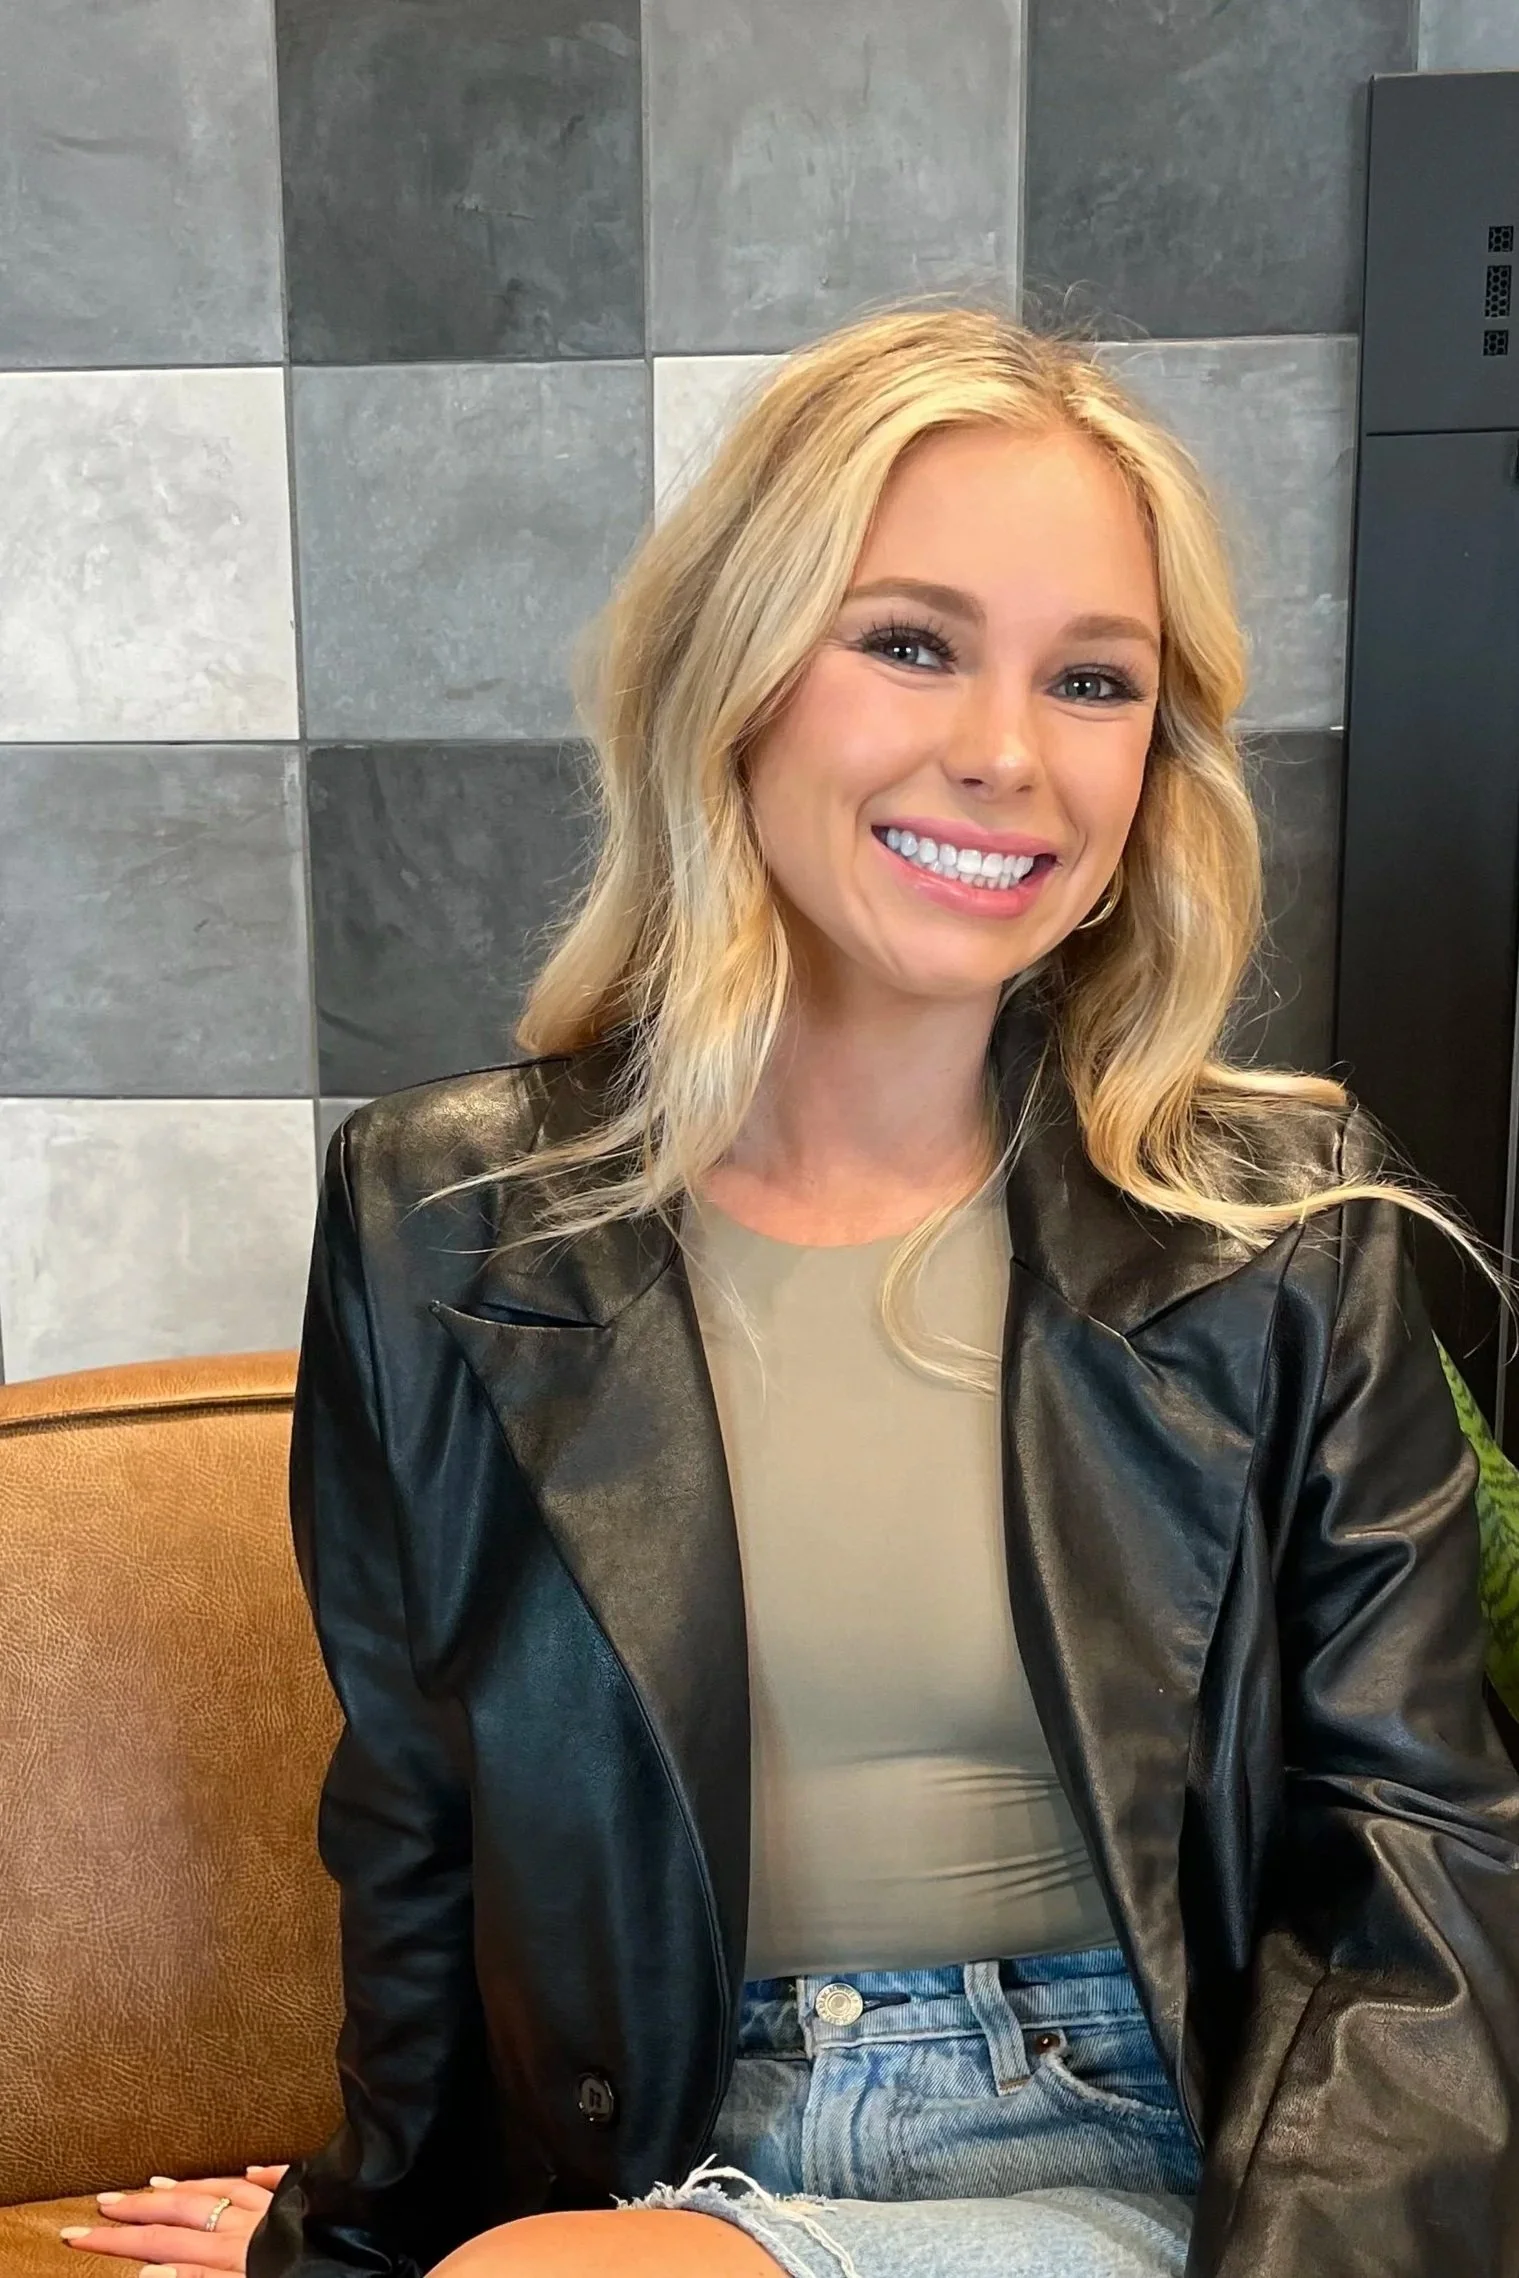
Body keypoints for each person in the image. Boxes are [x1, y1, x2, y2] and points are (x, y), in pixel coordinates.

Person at [61, 301, 1519, 2278]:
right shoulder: (438, 1216)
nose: (1004, 751)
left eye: (1093, 680)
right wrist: (364, 2230)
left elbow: (1424, 1867)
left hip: (1157, 2153)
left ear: (1152, 762)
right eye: (911, 640)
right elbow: (413, 1820)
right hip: (679, 2147)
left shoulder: (1289, 1240)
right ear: (733, 674)